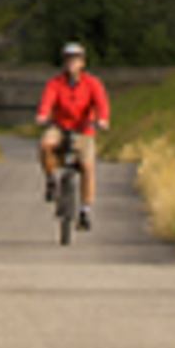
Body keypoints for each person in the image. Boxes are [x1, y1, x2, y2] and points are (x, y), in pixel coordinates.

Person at [36, 40, 110, 229]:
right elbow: (47, 100)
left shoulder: (92, 83)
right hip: (61, 126)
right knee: (46, 144)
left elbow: (101, 103)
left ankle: (85, 211)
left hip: (84, 129)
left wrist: (102, 119)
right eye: (68, 59)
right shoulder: (55, 83)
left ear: (82, 63)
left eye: (76, 59)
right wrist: (43, 115)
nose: (72, 63)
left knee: (87, 165)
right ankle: (51, 179)